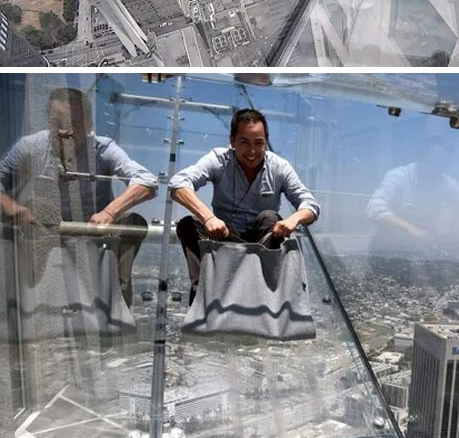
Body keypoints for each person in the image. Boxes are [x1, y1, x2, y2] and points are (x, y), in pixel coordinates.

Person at [0, 86, 158, 306]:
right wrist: (15, 210)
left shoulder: (103, 150)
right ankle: (23, 296)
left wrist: (109, 212)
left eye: (73, 124)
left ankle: (115, 303)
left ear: (89, 126)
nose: (64, 132)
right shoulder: (31, 147)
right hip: (43, 229)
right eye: (58, 124)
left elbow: (147, 182)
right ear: (48, 122)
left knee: (134, 224)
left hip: (95, 233)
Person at [169, 108, 320, 304]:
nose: (252, 152)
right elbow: (178, 184)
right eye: (244, 143)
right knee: (188, 224)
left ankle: (267, 294)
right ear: (232, 141)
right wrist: (208, 217)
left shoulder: (279, 167)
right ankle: (203, 295)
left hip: (262, 244)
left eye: (259, 143)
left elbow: (310, 205)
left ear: (266, 142)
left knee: (270, 217)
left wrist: (294, 219)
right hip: (224, 237)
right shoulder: (219, 159)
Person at [366, 135, 459, 270]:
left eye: (442, 164)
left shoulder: (444, 182)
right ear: (422, 158)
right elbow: (374, 208)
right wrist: (410, 228)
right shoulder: (399, 176)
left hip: (422, 251)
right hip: (385, 250)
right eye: (434, 161)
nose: (437, 168)